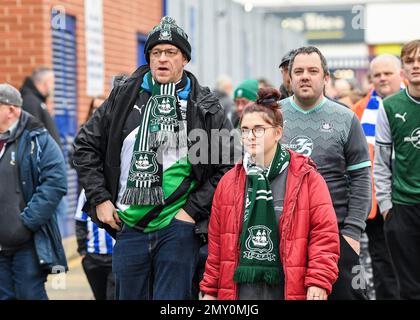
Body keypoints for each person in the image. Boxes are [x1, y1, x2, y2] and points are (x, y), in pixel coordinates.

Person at [73, 16, 234, 300]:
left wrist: (190, 213)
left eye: (170, 52)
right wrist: (99, 198)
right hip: (127, 224)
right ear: (148, 57)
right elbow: (85, 146)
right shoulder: (123, 97)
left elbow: (225, 166)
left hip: (178, 227)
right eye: (156, 52)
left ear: (184, 58)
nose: (162, 59)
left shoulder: (205, 106)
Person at [200, 88, 340, 300]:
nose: (250, 136)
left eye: (258, 129)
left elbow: (324, 235)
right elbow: (217, 246)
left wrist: (319, 280)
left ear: (277, 133)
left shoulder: (307, 178)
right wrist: (210, 290)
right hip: (240, 292)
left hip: (288, 288)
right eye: (245, 130)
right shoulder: (228, 182)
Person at [280, 46, 372, 300]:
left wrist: (353, 232)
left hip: (338, 234)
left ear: (326, 78)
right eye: (298, 71)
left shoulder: (345, 118)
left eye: (313, 71)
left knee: (354, 295)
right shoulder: (273, 117)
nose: (305, 76)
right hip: (285, 236)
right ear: (290, 78)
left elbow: (362, 178)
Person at [0, 83, 67, 299]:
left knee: (30, 294)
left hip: (27, 242)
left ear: (11, 109)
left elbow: (55, 182)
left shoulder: (38, 139)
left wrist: (26, 222)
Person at [352, 54, 403, 299]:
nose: (382, 79)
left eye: (388, 73)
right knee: (382, 261)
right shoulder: (359, 110)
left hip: (409, 198)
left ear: (400, 74)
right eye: (377, 75)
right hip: (376, 202)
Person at [374, 40, 420, 299]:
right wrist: (386, 206)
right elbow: (381, 161)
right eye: (411, 61)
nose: (416, 66)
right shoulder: (390, 107)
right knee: (410, 290)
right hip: (403, 207)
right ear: (403, 69)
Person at [20, 67, 61, 146]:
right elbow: (33, 136)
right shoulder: (30, 102)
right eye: (53, 82)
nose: (53, 86)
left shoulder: (37, 101)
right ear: (47, 82)